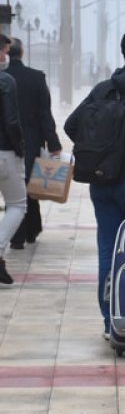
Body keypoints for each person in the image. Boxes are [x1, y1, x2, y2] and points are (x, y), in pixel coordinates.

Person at [64, 29, 125, 339]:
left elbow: (71, 125)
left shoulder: (104, 88)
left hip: (102, 182)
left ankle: (110, 323)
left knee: (108, 251)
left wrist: (101, 153)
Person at [5, 38, 62, 249]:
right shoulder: (36, 78)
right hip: (30, 139)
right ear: (22, 53)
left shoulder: (4, 78)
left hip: (6, 141)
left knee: (16, 189)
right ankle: (30, 230)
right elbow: (44, 114)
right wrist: (54, 143)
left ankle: (19, 235)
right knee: (29, 184)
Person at [0, 34, 27, 285]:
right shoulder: (5, 81)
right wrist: (20, 147)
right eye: (5, 49)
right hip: (5, 153)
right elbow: (10, 120)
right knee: (17, 205)